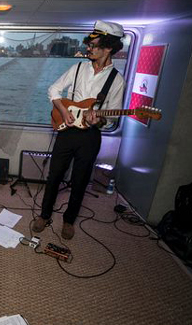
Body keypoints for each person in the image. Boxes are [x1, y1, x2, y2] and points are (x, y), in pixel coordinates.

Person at [33, 20, 126, 240]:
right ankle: (44, 215)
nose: (88, 48)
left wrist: (98, 121)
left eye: (93, 45)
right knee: (54, 175)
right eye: (89, 44)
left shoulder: (117, 80)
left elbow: (112, 117)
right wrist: (63, 111)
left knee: (80, 180)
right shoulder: (78, 68)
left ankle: (69, 220)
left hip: (90, 136)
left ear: (108, 48)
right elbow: (53, 89)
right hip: (67, 131)